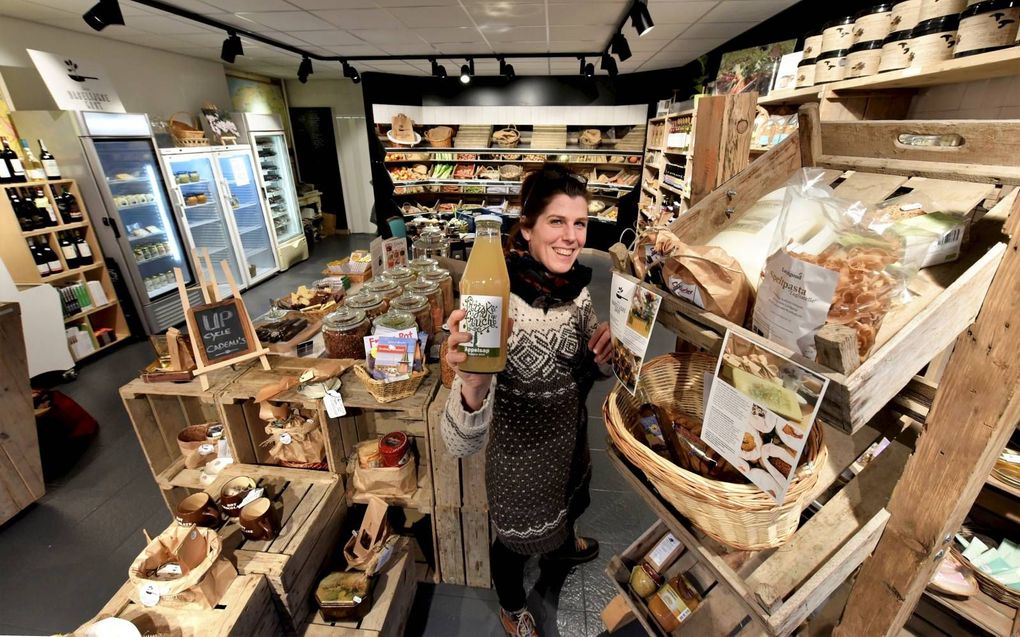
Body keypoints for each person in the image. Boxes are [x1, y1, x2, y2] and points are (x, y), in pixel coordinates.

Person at [441, 164, 612, 637]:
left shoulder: (576, 292)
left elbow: (583, 373)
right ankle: (512, 606)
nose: (571, 236)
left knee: (572, 505)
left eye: (580, 223)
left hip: (568, 445)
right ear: (527, 226)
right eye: (557, 221)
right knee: (513, 545)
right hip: (518, 462)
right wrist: (472, 386)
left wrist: (600, 357)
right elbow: (458, 443)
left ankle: (561, 545)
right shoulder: (492, 299)